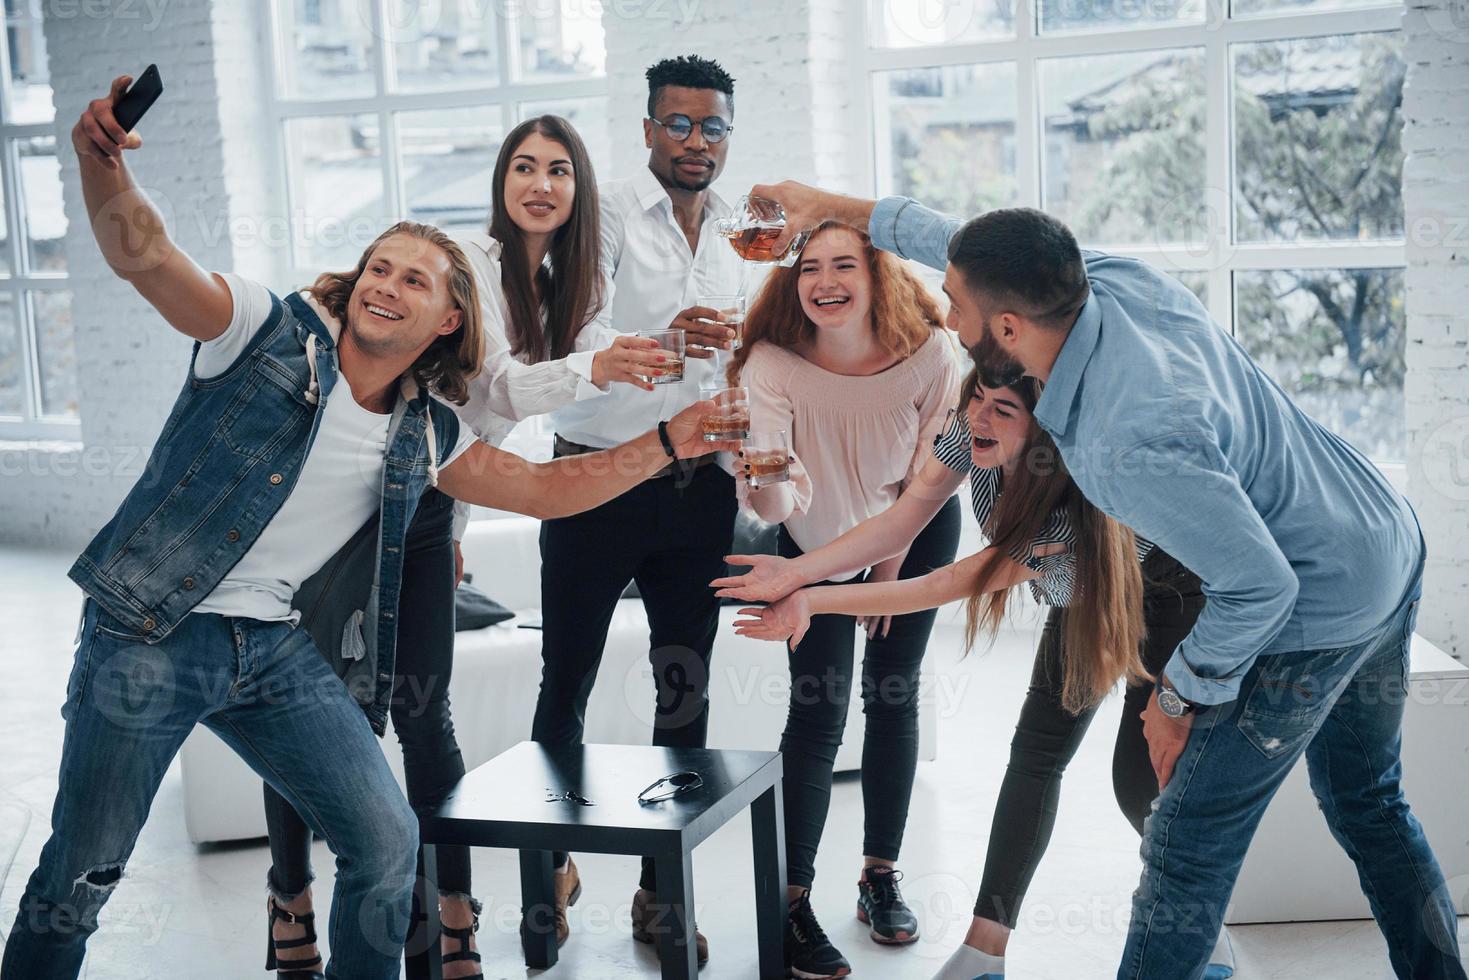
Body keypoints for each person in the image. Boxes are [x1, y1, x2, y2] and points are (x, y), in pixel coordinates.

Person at [1, 77, 733, 980]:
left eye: (415, 280)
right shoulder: (263, 332)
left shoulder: (425, 429)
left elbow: (546, 490)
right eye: (379, 268)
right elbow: (147, 255)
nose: (388, 285)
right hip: (152, 635)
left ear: (448, 321)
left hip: (270, 650)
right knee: (82, 876)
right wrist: (97, 162)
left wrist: (669, 439)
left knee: (387, 844)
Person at [743, 180, 1466, 980]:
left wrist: (1177, 698)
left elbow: (1261, 589)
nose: (946, 317)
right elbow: (969, 252)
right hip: (1383, 536)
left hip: (1300, 597)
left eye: (955, 304)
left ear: (1008, 328)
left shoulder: (1117, 448)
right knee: (1370, 805)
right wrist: (826, 202)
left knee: (1180, 849)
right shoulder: (1111, 282)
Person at [257, 114, 665, 980]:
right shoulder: (470, 264)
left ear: (577, 190)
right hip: (352, 503)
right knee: (315, 713)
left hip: (434, 511)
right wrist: (597, 369)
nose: (540, 184)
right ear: (501, 180)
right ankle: (290, 895)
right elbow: (492, 387)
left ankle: (449, 912)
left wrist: (458, 535)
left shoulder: (565, 292)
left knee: (423, 713)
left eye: (559, 169)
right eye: (524, 166)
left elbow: (470, 431)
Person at [718, 368, 1232, 979]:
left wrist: (813, 598)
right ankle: (984, 951)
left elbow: (947, 583)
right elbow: (901, 520)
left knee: (1136, 779)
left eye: (1004, 410)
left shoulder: (1071, 502)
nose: (980, 418)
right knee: (1036, 753)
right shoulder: (969, 436)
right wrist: (800, 574)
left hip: (1176, 592)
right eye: (976, 400)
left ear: (1044, 430)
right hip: (1086, 595)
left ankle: (1205, 934)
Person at [530, 54, 747, 963]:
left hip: (701, 490)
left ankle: (662, 896)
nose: (695, 141)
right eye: (678, 124)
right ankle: (549, 871)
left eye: (712, 127)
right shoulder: (607, 208)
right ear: (649, 127)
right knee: (565, 683)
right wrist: (662, 340)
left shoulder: (743, 228)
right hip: (596, 479)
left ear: (727, 135)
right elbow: (572, 334)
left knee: (682, 692)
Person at [721, 221, 961, 977]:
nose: (825, 281)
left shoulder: (931, 352)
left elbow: (929, 476)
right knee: (817, 712)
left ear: (876, 273)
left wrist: (886, 570)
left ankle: (879, 876)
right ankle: (792, 901)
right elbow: (775, 501)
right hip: (813, 540)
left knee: (892, 695)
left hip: (915, 532)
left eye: (843, 265)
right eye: (809, 268)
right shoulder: (771, 363)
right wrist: (759, 481)